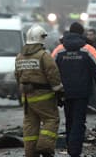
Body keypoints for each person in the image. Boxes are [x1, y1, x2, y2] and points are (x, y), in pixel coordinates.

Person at [54, 22, 96, 157]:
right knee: (79, 120)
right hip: (82, 91)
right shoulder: (88, 49)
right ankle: (75, 150)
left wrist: (55, 91)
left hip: (64, 91)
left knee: (69, 119)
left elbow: (51, 70)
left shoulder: (59, 49)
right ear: (82, 33)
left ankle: (71, 146)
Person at [15, 25, 63, 157]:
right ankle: (44, 147)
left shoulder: (20, 56)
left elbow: (17, 76)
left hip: (27, 97)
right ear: (40, 38)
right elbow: (53, 74)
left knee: (30, 125)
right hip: (43, 96)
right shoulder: (43, 56)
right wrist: (59, 91)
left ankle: (30, 153)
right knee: (51, 119)